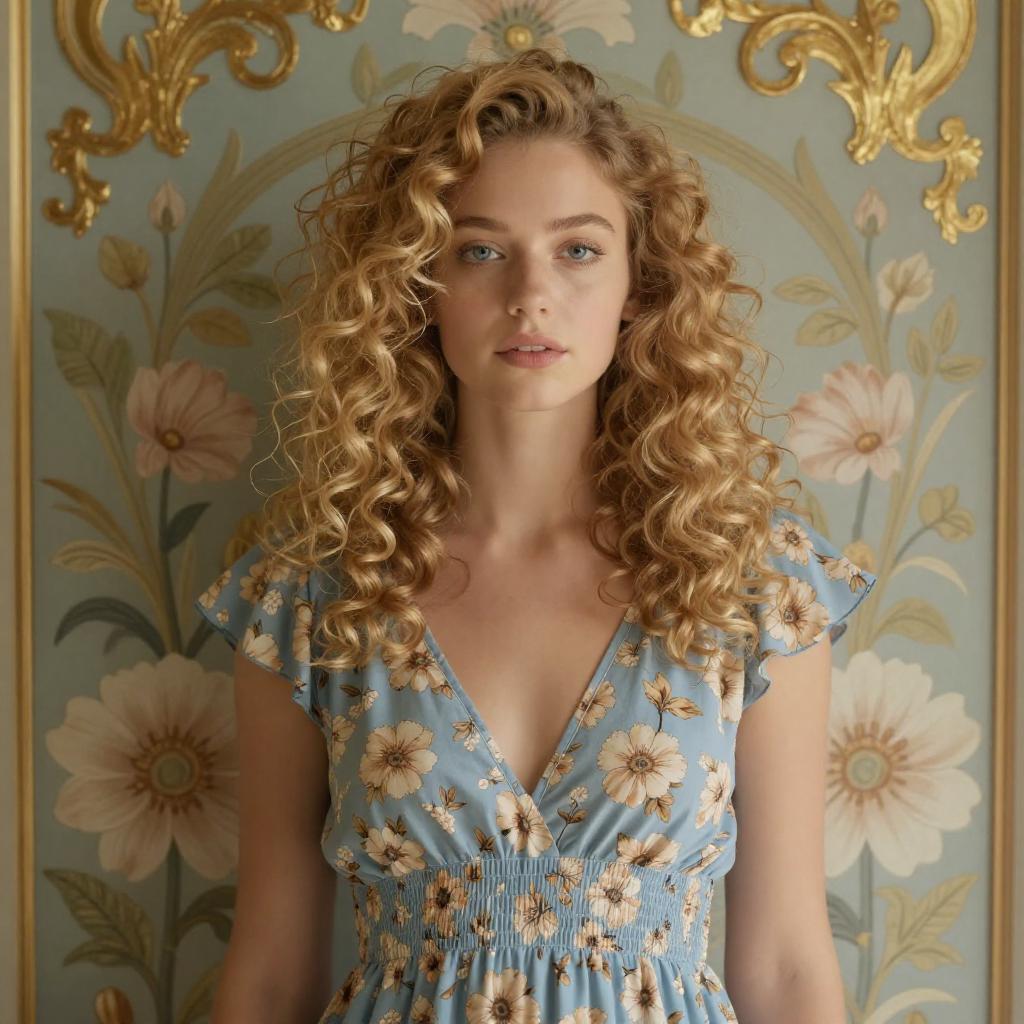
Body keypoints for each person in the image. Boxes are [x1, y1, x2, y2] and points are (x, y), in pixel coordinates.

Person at [195, 47, 877, 1024]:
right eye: (479, 248)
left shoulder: (750, 580)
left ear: (639, 282)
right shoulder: (311, 594)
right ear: (418, 282)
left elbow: (783, 969)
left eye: (577, 248)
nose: (530, 294)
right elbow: (268, 974)